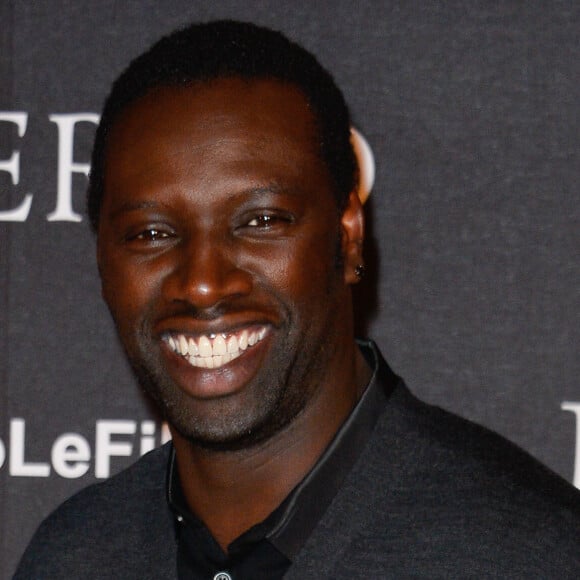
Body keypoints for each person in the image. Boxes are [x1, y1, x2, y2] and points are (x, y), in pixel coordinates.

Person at [15, 20, 580, 579]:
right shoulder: (72, 555)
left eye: (261, 221)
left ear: (349, 237)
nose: (203, 283)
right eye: (152, 234)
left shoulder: (535, 553)